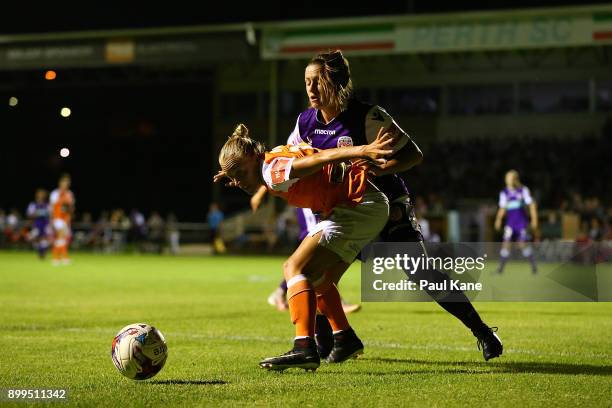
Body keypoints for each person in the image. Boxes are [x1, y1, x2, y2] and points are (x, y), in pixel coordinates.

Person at [274, 49, 502, 361]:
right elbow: (291, 161)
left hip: (385, 205)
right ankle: (330, 343)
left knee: (423, 274)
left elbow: (413, 154)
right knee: (316, 274)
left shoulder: (368, 116)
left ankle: (482, 331)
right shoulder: (305, 122)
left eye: (316, 81)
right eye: (306, 82)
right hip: (344, 211)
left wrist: (376, 168)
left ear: (335, 83)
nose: (310, 89)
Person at [214, 123, 392, 371]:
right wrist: (235, 173)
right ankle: (344, 338)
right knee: (319, 279)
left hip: (355, 206)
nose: (238, 182)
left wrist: (362, 150)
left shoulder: (272, 172)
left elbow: (322, 157)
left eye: (239, 174)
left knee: (294, 268)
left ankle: (304, 347)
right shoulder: (269, 160)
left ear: (253, 158)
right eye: (232, 177)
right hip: (362, 205)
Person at [494, 169, 538, 274]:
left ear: (515, 179)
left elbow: (532, 205)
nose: (507, 180)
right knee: (506, 244)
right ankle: (500, 269)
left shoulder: (523, 190)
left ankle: (534, 267)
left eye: (509, 178)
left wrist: (534, 219)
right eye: (507, 178)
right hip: (510, 223)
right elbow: (502, 208)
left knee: (522, 244)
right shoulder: (504, 192)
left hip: (521, 223)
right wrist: (498, 219)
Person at [50, 174, 75, 265]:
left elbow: (71, 207)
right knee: (61, 236)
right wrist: (51, 220)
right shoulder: (55, 193)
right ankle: (56, 258)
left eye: (67, 183)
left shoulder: (69, 194)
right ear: (60, 183)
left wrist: (70, 216)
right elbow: (52, 207)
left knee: (63, 238)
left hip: (66, 218)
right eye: (64, 183)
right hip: (57, 218)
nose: (65, 184)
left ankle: (63, 257)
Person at [26, 189, 51, 259]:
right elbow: (29, 214)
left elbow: (50, 215)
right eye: (39, 194)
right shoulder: (33, 204)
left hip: (45, 224)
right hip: (37, 224)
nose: (41, 195)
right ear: (37, 195)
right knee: (34, 238)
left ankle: (43, 253)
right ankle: (40, 252)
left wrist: (50, 223)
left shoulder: (47, 205)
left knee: (45, 239)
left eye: (42, 194)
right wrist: (36, 213)